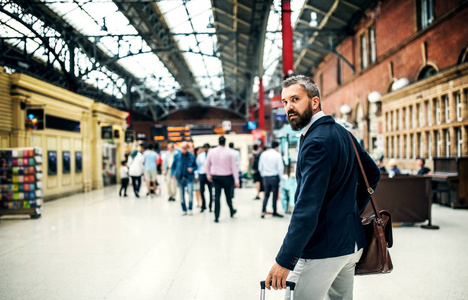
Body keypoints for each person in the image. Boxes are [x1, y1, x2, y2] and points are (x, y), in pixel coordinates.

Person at [264, 75, 381, 299]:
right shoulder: (343, 133)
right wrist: (348, 213)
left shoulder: (316, 142)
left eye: (295, 99)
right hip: (350, 246)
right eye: (285, 102)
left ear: (315, 101)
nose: (289, 107)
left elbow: (306, 208)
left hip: (322, 250)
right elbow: (372, 173)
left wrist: (284, 260)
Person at [205, 136, 239, 223]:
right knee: (228, 196)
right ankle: (231, 211)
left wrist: (208, 174)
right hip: (227, 177)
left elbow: (207, 164)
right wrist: (236, 180)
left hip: (216, 177)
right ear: (225, 142)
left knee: (217, 197)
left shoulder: (211, 152)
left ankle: (216, 216)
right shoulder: (229, 152)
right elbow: (233, 167)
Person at [258, 140, 284, 218]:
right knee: (274, 195)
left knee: (266, 194)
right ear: (276, 147)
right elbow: (280, 168)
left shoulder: (263, 154)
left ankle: (263, 210)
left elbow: (260, 167)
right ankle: (274, 211)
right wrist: (280, 177)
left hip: (265, 177)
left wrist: (263, 175)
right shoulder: (277, 155)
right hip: (274, 177)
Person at [171, 142, 197, 215]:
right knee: (181, 194)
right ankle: (184, 209)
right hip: (180, 178)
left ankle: (190, 208)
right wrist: (173, 174)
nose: (184, 150)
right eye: (183, 148)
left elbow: (196, 166)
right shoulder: (177, 156)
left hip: (189, 178)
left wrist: (192, 169)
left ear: (188, 148)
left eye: (185, 148)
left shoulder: (192, 156)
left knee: (190, 192)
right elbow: (173, 167)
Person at [196, 143, 213, 212]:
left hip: (210, 175)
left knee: (211, 191)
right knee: (202, 191)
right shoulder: (200, 156)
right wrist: (197, 175)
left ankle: (210, 206)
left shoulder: (212, 155)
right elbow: (198, 166)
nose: (206, 149)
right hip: (202, 174)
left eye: (207, 148)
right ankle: (203, 205)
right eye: (205, 148)